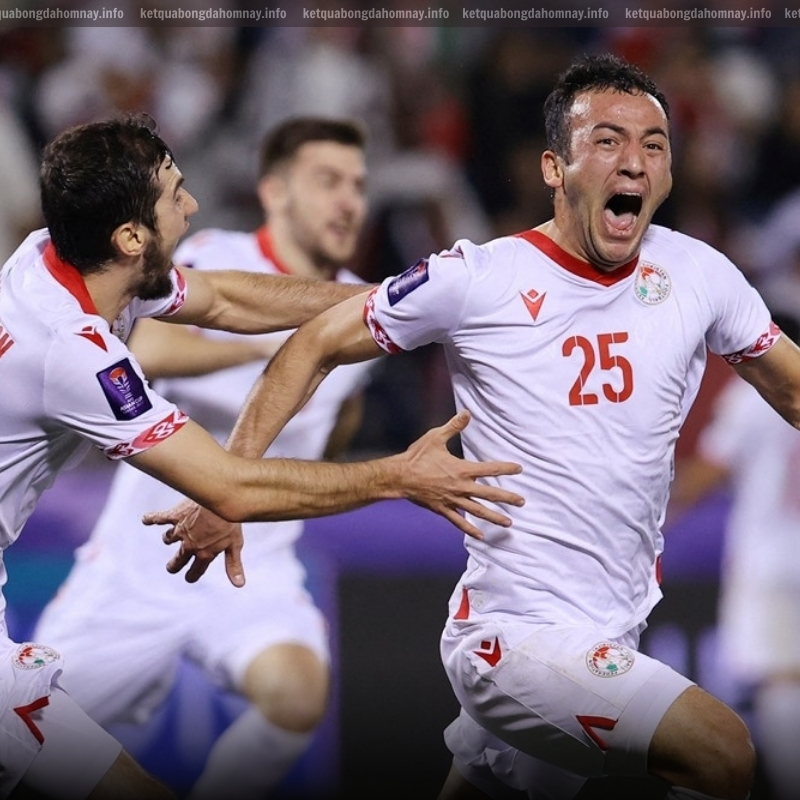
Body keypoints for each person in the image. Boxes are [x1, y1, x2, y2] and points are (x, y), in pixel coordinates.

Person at [150, 54, 800, 800]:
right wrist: (227, 485)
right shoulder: (478, 279)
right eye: (610, 141)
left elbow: (792, 389)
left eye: (654, 145)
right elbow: (316, 341)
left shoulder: (700, 275)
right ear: (555, 167)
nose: (635, 162)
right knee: (723, 755)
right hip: (514, 641)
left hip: (607, 633)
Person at [0, 114, 525, 800]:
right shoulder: (74, 351)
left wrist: (388, 306)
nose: (190, 206)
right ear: (130, 236)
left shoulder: (64, 253)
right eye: (174, 196)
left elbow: (221, 296)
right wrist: (400, 475)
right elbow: (228, 485)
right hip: (143, 558)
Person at [32, 116, 376, 799]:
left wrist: (339, 360)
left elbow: (340, 418)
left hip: (252, 570)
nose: (349, 203)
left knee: (299, 695)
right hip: (141, 560)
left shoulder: (366, 310)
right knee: (41, 740)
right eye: (328, 181)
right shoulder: (209, 254)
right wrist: (281, 353)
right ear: (274, 192)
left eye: (359, 186)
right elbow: (140, 348)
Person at [669, 312, 800, 800]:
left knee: (782, 684)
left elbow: (709, 470)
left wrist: (653, 513)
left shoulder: (752, 398)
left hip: (770, 563)